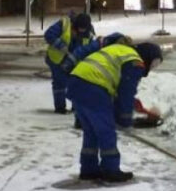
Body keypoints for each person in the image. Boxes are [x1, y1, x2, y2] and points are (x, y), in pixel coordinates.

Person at [66, 42, 163, 182]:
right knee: (107, 131)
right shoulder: (135, 62)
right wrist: (125, 121)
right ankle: (111, 170)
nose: (152, 67)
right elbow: (126, 94)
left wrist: (125, 110)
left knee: (91, 131)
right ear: (147, 56)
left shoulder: (121, 51)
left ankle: (89, 169)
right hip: (93, 87)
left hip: (76, 83)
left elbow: (118, 89)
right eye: (154, 63)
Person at [43, 12, 95, 114]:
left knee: (76, 83)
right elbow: (49, 34)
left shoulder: (89, 33)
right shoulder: (64, 24)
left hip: (74, 61)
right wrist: (60, 45)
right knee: (60, 82)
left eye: (83, 29)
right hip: (56, 59)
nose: (81, 31)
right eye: (78, 29)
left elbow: (88, 48)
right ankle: (60, 107)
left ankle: (76, 107)